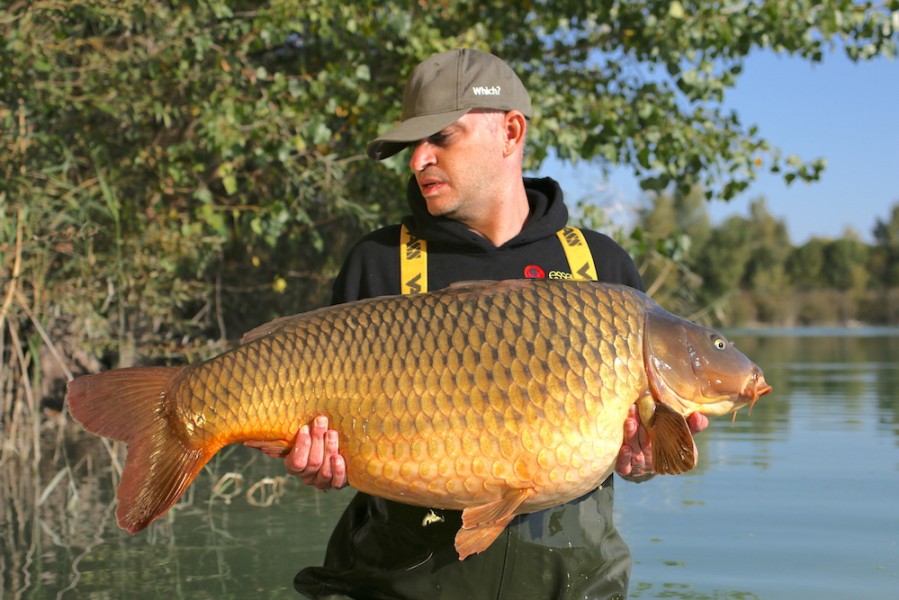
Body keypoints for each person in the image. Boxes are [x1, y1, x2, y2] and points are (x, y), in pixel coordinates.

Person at [280, 48, 708, 599]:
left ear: (510, 132)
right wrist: (319, 464)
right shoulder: (379, 260)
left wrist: (643, 459)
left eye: (442, 138)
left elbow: (637, 459)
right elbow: (328, 440)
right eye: (414, 144)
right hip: (398, 585)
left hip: (571, 585)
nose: (418, 160)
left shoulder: (602, 270)